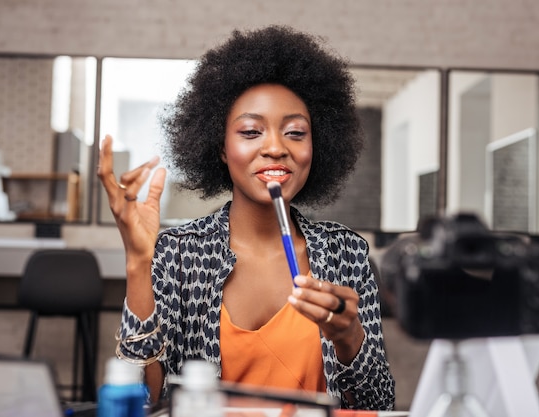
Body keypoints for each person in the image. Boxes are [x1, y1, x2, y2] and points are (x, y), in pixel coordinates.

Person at [98, 25, 395, 411]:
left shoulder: (346, 253)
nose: (275, 147)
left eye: (295, 132)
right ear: (221, 148)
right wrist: (139, 263)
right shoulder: (179, 253)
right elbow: (145, 401)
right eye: (252, 131)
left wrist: (350, 338)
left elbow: (380, 405)